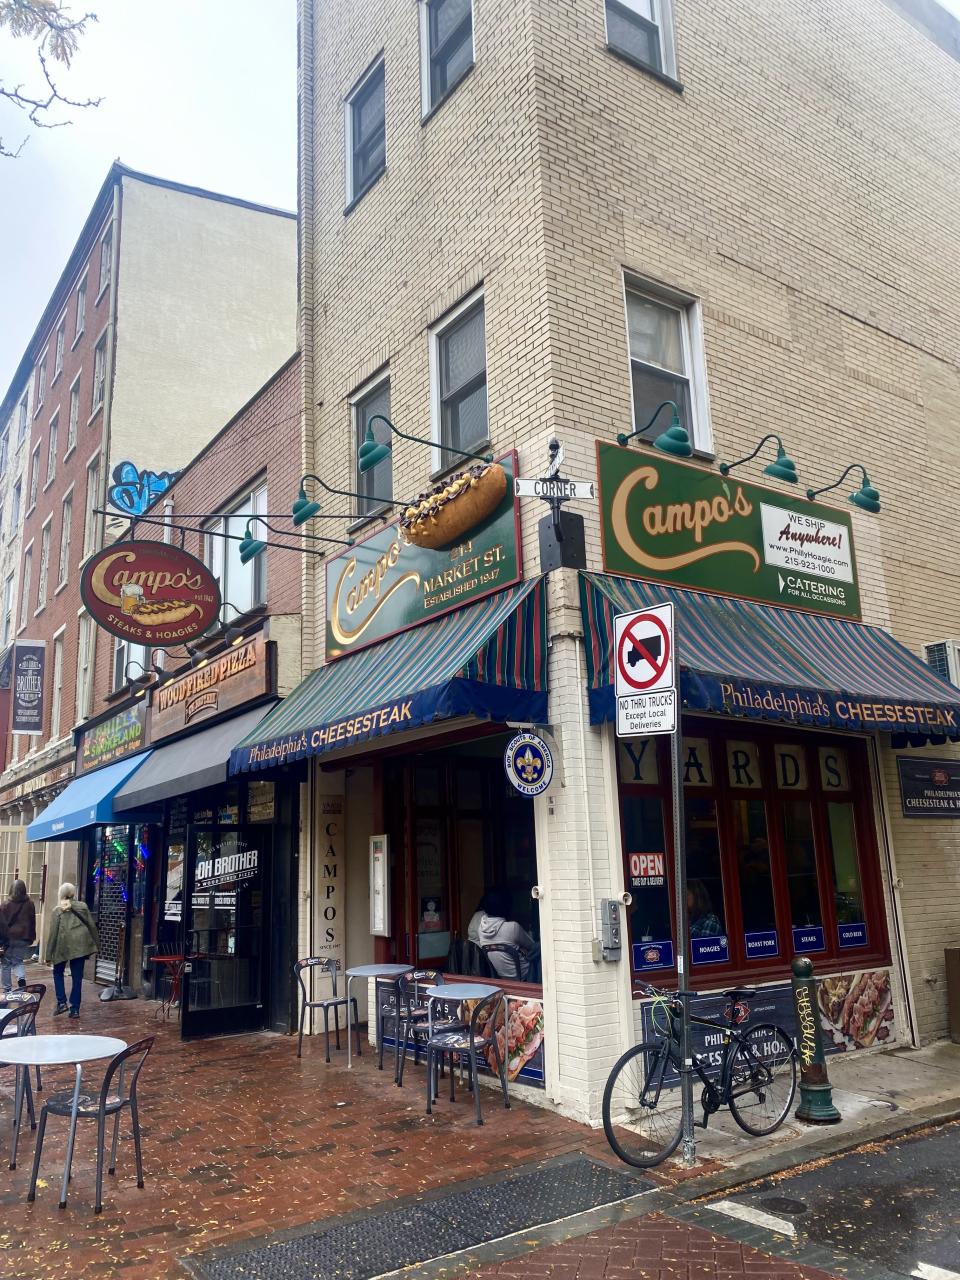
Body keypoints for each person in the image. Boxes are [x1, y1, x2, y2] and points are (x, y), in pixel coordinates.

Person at [44, 883, 99, 1019]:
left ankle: (62, 1002)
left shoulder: (58, 910)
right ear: (73, 893)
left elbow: (53, 934)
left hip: (62, 947)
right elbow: (92, 926)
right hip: (80, 947)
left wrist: (48, 954)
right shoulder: (83, 906)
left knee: (58, 972)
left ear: (61, 894)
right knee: (77, 978)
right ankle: (75, 1009)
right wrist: (97, 944)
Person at [467, 887, 537, 980]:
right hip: (525, 975)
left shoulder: (481, 928)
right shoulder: (512, 927)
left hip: (501, 977)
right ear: (506, 907)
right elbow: (533, 946)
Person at [0, 880, 36, 995]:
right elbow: (32, 921)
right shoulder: (30, 904)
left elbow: (1, 924)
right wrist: (31, 937)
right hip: (23, 938)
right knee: (18, 962)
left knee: (6, 964)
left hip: (8, 939)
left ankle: (7, 990)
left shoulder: (5, 905)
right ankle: (21, 980)